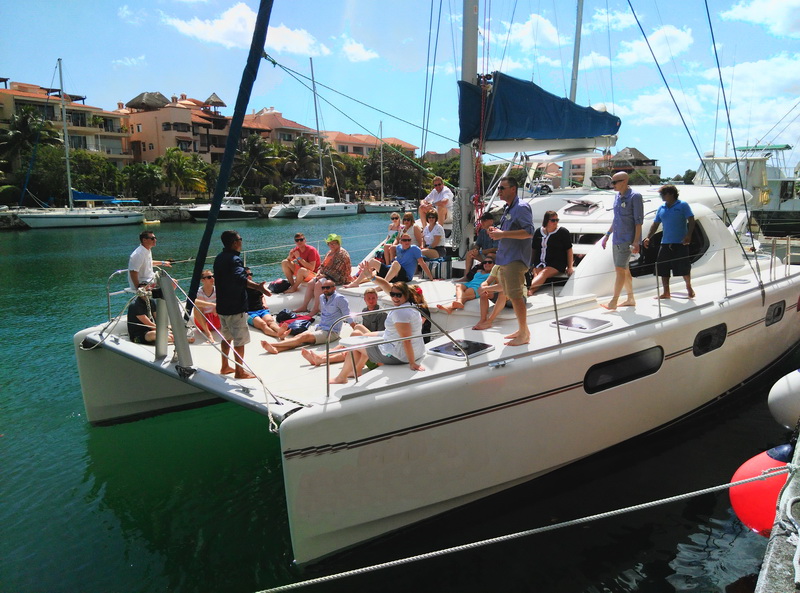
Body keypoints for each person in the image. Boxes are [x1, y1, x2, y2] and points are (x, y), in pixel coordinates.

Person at [330, 277, 426, 384]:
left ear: (406, 295)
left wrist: (412, 363)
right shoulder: (411, 306)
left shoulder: (400, 312)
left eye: (398, 295)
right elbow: (386, 285)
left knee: (355, 346)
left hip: (398, 355)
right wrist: (371, 276)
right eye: (392, 294)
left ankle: (342, 377)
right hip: (414, 350)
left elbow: (406, 339)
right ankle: (356, 370)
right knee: (364, 335)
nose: (395, 298)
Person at [214, 230, 271, 379]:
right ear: (234, 243)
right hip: (235, 307)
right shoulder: (234, 259)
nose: (241, 241)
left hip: (222, 306)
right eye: (240, 239)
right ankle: (240, 371)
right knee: (239, 339)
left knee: (226, 337)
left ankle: (225, 366)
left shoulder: (219, 258)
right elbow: (240, 279)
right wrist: (258, 287)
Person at [487, 176, 533, 346]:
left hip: (516, 259)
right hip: (506, 258)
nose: (499, 191)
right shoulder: (508, 208)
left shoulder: (521, 208)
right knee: (512, 297)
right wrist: (498, 231)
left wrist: (503, 234)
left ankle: (524, 334)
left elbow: (529, 232)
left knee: (516, 296)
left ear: (513, 189)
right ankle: (523, 330)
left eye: (502, 188)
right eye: (499, 188)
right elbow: (510, 231)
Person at [261, 279, 353, 354]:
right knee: (300, 336)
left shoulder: (340, 299)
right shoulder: (322, 297)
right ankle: (278, 350)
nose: (325, 289)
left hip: (331, 332)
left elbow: (347, 314)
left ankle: (273, 345)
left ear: (334, 288)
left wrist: (355, 326)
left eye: (328, 288)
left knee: (303, 338)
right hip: (319, 327)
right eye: (323, 288)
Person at [300, 288, 386, 367]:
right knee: (344, 345)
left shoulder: (382, 313)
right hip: (366, 336)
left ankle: (321, 359)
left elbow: (381, 335)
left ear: (377, 298)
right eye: (369, 298)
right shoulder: (365, 311)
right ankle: (320, 356)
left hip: (375, 341)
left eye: (373, 298)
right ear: (365, 300)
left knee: (349, 346)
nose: (371, 301)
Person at [643, 184, 696, 299]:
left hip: (680, 242)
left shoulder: (682, 205)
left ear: (671, 194)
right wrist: (648, 237)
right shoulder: (661, 208)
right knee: (663, 268)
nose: (661, 196)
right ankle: (666, 292)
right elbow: (655, 224)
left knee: (684, 267)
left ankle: (689, 287)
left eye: (663, 194)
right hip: (665, 242)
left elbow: (691, 220)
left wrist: (689, 235)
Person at [600, 172, 644, 310]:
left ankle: (614, 301)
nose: (612, 185)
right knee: (625, 270)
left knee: (619, 269)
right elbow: (616, 218)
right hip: (617, 238)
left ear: (624, 181)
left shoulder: (635, 197)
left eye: (614, 182)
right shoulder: (617, 197)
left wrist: (636, 242)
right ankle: (631, 299)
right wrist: (607, 235)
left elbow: (638, 221)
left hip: (627, 239)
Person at [345, 232, 435, 287]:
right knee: (373, 261)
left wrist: (431, 278)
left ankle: (383, 285)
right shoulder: (398, 247)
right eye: (405, 240)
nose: (407, 242)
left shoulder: (415, 249)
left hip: (405, 276)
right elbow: (391, 248)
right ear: (401, 241)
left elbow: (422, 263)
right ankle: (356, 282)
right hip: (394, 273)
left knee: (395, 263)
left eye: (409, 240)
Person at [296, 234, 353, 316]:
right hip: (326, 275)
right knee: (311, 283)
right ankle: (304, 306)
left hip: (339, 278)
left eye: (334, 243)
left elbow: (338, 271)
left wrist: (324, 276)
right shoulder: (329, 252)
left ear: (338, 244)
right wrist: (319, 272)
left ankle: (316, 308)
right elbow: (322, 265)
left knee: (319, 284)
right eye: (330, 243)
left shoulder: (341, 254)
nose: (332, 245)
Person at [527, 210, 574, 296]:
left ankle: (524, 289)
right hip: (539, 262)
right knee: (537, 274)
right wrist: (530, 263)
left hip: (556, 263)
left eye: (557, 220)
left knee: (543, 273)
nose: (555, 222)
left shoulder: (562, 232)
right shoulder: (538, 232)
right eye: (553, 220)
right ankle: (531, 291)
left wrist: (570, 267)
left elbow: (569, 250)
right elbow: (534, 249)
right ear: (546, 221)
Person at [244, 267, 282, 337]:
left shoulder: (257, 285)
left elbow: (261, 296)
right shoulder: (240, 288)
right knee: (263, 324)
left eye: (250, 274)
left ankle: (280, 332)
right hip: (249, 313)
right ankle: (278, 334)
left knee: (270, 322)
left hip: (261, 310)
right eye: (246, 275)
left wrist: (264, 303)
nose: (249, 276)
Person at [472, 258, 508, 330]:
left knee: (504, 292)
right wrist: (483, 286)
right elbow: (487, 281)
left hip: (517, 297)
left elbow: (504, 286)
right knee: (484, 293)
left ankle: (489, 321)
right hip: (501, 295)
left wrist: (485, 288)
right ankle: (483, 319)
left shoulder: (513, 266)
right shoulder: (496, 267)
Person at [193, 269, 221, 343]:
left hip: (217, 319)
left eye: (213, 276)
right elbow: (192, 301)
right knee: (196, 307)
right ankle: (208, 334)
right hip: (203, 322)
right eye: (209, 277)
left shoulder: (218, 290)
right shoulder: (199, 291)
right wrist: (213, 305)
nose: (212, 278)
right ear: (202, 280)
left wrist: (217, 306)